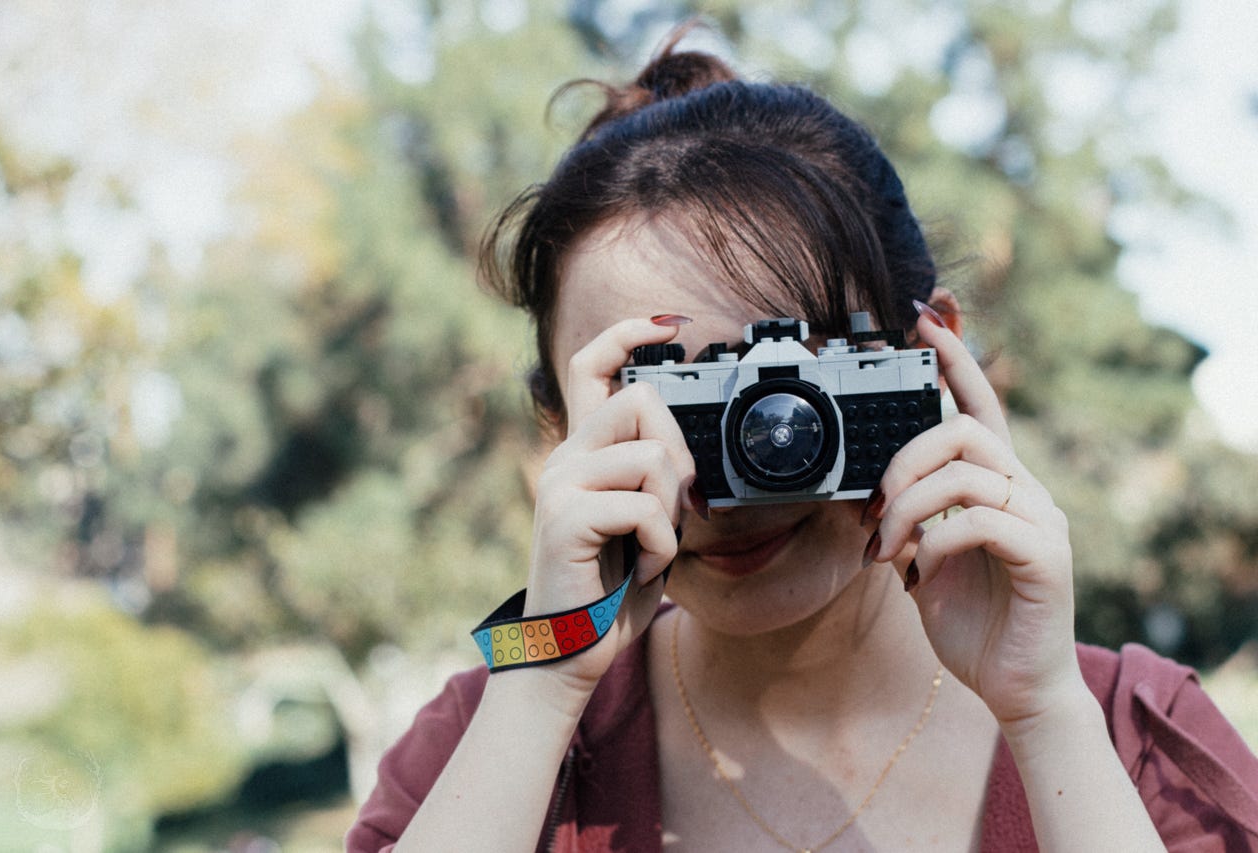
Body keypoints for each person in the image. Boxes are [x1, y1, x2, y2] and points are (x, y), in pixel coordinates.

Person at [347, 29, 1258, 853]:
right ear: (562, 429)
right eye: (665, 394)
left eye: (789, 387)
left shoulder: (1137, 735)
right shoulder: (488, 747)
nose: (746, 464)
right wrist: (543, 677)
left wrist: (1047, 712)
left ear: (927, 357)